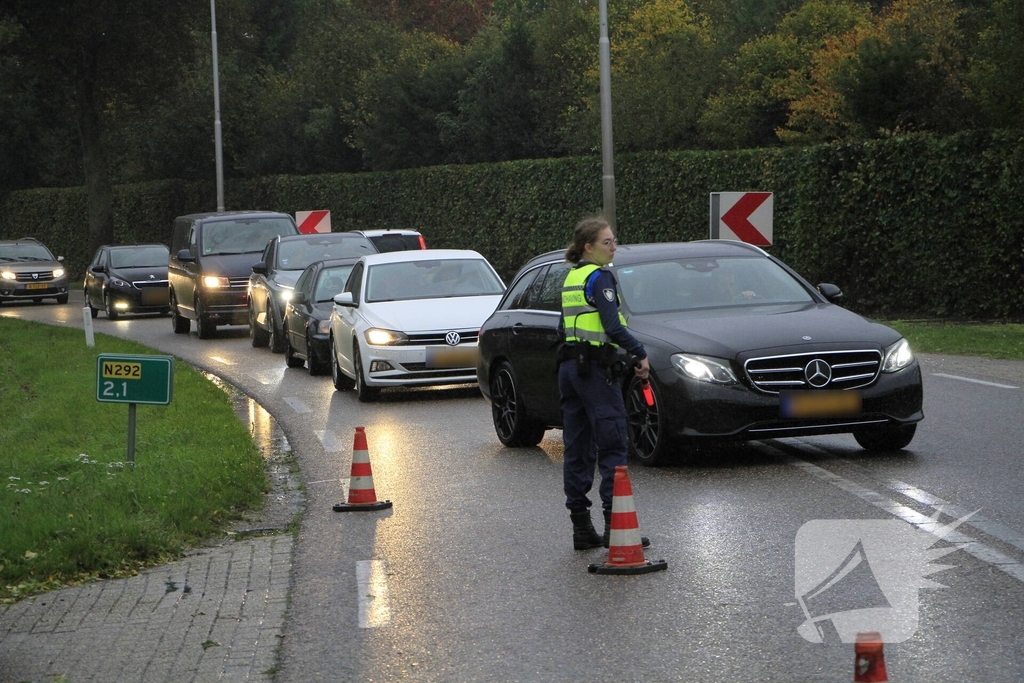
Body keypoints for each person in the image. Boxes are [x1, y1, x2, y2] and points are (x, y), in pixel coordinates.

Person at [558, 217, 651, 550]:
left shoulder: (572, 277)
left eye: (614, 241)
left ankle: (581, 529)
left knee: (578, 448)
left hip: (570, 370)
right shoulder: (600, 278)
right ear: (589, 247)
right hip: (596, 372)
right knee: (612, 444)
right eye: (607, 242)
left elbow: (563, 328)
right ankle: (617, 527)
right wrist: (638, 353)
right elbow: (612, 326)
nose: (613, 247)